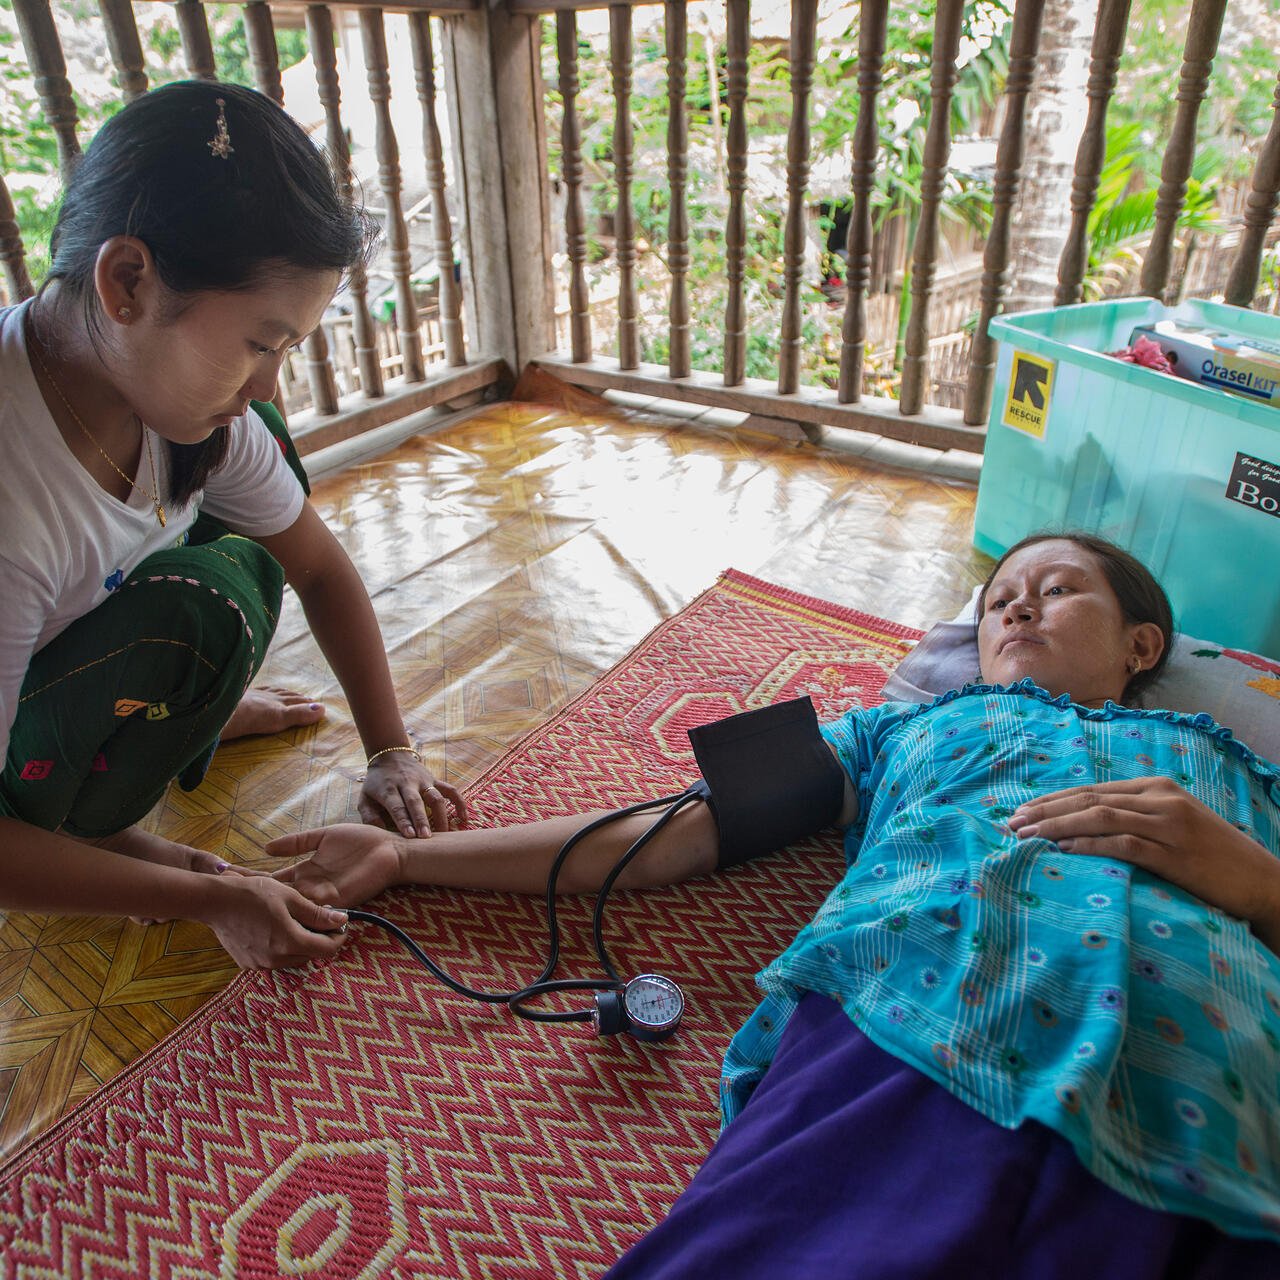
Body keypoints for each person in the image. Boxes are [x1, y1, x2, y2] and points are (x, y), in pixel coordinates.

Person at [269, 532, 1280, 1274]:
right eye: (996, 597)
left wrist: (1255, 879)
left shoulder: (1231, 770)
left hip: (1195, 1092)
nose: (1014, 606)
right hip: (908, 1017)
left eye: (1056, 590)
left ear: (1142, 644)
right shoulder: (898, 729)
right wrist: (409, 856)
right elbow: (668, 830)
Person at [0, 81, 466, 972]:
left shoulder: (165, 403)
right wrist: (208, 889)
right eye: (263, 343)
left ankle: (167, 714)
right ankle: (81, 830)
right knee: (201, 608)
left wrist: (391, 752)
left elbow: (320, 571)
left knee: (250, 484)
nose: (267, 383)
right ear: (128, 280)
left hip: (48, 646)